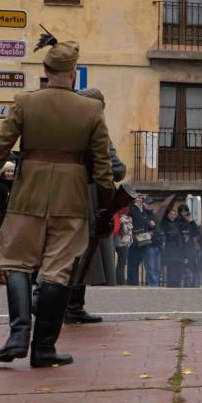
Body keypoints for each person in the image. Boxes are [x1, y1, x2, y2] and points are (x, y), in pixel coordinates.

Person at [0, 38, 114, 368]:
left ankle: (18, 334)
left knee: (15, 261)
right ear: (73, 73)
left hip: (28, 195)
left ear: (46, 70)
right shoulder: (91, 109)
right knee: (57, 272)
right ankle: (43, 348)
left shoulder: (25, 102)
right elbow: (103, 168)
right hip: (71, 200)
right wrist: (105, 207)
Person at [65, 88, 128, 323]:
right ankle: (70, 306)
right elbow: (116, 168)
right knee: (85, 253)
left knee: (64, 253)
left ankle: (67, 305)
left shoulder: (65, 128)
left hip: (63, 193)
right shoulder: (97, 129)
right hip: (90, 196)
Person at [177, 205, 201, 288]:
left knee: (194, 270)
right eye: (182, 211)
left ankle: (193, 286)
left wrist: (192, 222)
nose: (184, 213)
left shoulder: (190, 222)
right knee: (186, 272)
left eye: (185, 211)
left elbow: (197, 233)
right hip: (183, 250)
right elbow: (179, 235)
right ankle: (186, 287)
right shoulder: (178, 222)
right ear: (179, 213)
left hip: (192, 249)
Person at [161, 208, 186, 288]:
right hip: (170, 251)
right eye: (171, 214)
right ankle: (171, 288)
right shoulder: (164, 224)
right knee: (171, 272)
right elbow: (165, 235)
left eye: (174, 214)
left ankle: (177, 288)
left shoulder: (177, 224)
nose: (172, 216)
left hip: (178, 252)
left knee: (178, 272)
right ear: (167, 215)